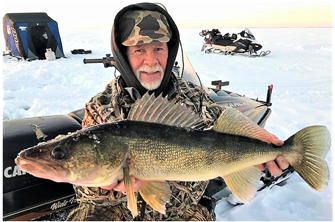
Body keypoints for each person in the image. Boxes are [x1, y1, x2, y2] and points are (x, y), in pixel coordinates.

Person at [67, 2, 289, 221]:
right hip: (116, 212)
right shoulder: (101, 106)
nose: (151, 61)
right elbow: (87, 194)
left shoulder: (195, 98)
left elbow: (229, 128)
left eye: (159, 49)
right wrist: (105, 188)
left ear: (170, 51)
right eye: (139, 50)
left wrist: (262, 146)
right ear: (123, 55)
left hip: (183, 212)